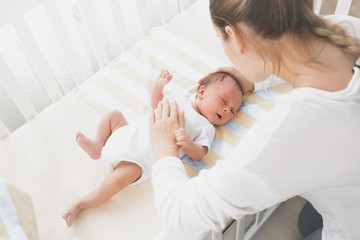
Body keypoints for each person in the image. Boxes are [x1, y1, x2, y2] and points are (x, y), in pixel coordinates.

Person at [148, 0, 360, 240]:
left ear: (235, 37)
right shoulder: (347, 28)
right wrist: (244, 77)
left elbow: (178, 218)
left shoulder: (294, 129)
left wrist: (164, 148)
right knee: (306, 222)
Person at [62, 69, 243, 227]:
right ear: (202, 92)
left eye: (233, 110)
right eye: (223, 101)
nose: (227, 110)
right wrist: (159, 86)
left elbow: (199, 153)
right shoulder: (180, 99)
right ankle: (98, 146)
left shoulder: (206, 127)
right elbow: (156, 104)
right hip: (126, 134)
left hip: (139, 158)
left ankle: (81, 204)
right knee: (114, 115)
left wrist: (188, 143)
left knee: (115, 182)